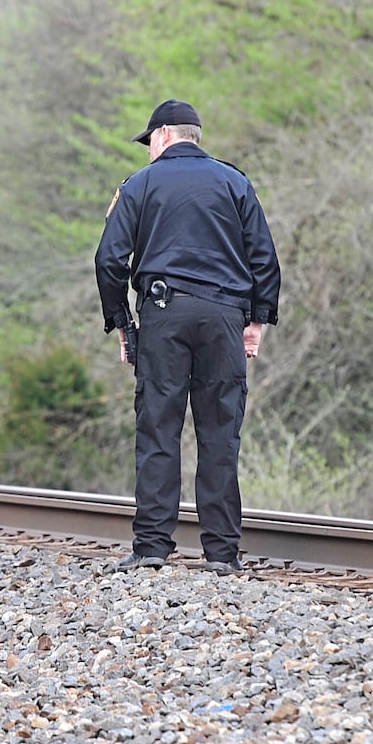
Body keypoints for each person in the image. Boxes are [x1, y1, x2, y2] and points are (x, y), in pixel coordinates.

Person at [95, 99, 282, 575]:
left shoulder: (139, 185)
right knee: (220, 432)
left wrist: (121, 321)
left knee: (159, 426)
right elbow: (263, 256)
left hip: (164, 313)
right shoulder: (234, 181)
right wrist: (256, 320)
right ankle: (222, 553)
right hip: (224, 316)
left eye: (148, 143)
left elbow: (109, 260)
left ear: (160, 136)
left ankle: (153, 547)